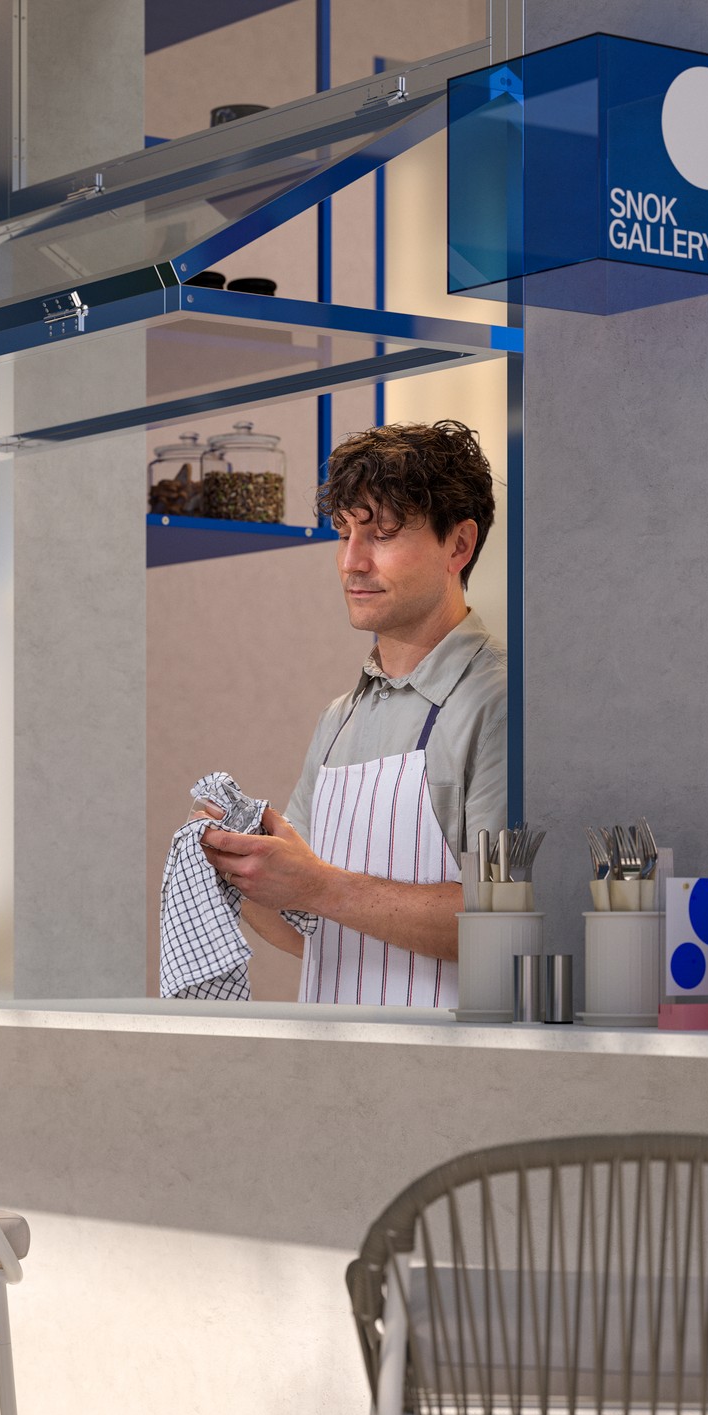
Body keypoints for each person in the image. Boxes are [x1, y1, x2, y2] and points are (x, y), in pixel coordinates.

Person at [200, 418, 506, 1008]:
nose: (351, 562)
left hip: (468, 1075)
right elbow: (309, 929)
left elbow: (504, 917)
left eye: (382, 535)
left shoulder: (501, 703)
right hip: (341, 1073)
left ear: (459, 545)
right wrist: (245, 870)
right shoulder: (338, 719)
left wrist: (316, 885)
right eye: (343, 534)